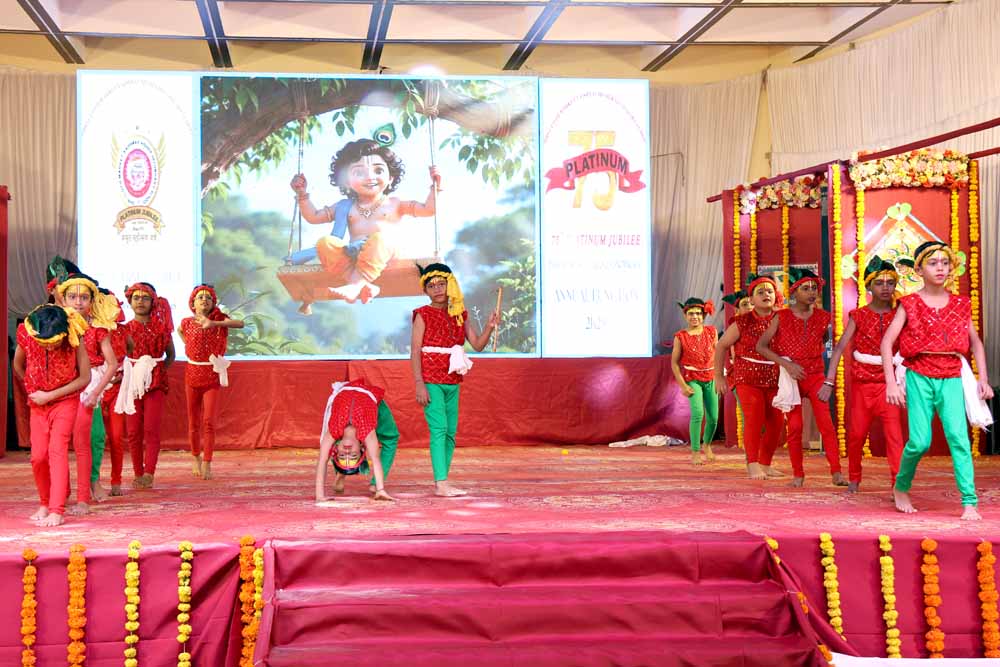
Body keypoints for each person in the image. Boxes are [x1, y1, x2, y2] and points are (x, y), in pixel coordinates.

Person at [882, 241, 993, 520]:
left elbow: (975, 343)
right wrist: (891, 383)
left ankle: (969, 502)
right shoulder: (909, 303)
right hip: (919, 374)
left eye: (945, 262)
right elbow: (887, 343)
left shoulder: (961, 304)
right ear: (919, 269)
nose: (940, 268)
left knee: (959, 438)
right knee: (920, 442)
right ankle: (901, 486)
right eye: (933, 263)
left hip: (952, 374)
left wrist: (983, 379)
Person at [290, 130, 441, 306]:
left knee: (380, 239)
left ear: (391, 177)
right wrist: (302, 195)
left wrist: (435, 188)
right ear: (347, 181)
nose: (370, 177)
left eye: (378, 170)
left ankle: (354, 285)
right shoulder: (344, 206)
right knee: (325, 243)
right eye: (359, 173)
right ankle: (361, 284)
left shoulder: (395, 203)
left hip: (387, 257)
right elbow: (313, 217)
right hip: (355, 259)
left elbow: (428, 210)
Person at [411, 263, 498, 496]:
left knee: (450, 432)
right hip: (431, 379)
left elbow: (477, 345)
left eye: (441, 284)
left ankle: (443, 481)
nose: (437, 289)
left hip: (452, 379)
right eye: (431, 286)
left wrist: (489, 327)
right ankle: (441, 483)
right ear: (425, 290)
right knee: (439, 429)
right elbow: (415, 351)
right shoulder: (422, 314)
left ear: (450, 285)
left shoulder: (459, 313)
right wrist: (419, 383)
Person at [820, 256, 905, 493]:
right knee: (856, 435)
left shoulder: (900, 314)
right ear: (868, 286)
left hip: (889, 386)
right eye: (879, 283)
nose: (885, 287)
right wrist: (829, 381)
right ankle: (854, 478)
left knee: (895, 437)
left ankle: (898, 484)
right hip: (862, 386)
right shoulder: (858, 315)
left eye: (890, 282)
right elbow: (839, 348)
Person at [757, 268, 846, 487]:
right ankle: (798, 474)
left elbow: (824, 341)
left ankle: (836, 472)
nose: (811, 292)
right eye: (805, 288)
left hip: (815, 376)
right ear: (794, 292)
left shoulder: (823, 317)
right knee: (795, 427)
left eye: (814, 288)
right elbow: (761, 346)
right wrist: (787, 364)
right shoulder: (781, 316)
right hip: (791, 378)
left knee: (826, 425)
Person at [13, 305, 90, 526]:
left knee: (57, 450)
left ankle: (57, 509)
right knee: (38, 456)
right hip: (38, 403)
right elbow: (18, 365)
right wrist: (32, 388)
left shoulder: (74, 336)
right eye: (45, 342)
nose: (49, 346)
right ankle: (44, 503)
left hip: (65, 400)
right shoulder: (27, 333)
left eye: (54, 342)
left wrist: (50, 395)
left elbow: (84, 377)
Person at [57, 273, 121, 512]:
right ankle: (61, 491)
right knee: (59, 443)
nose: (78, 302)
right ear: (63, 299)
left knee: (93, 438)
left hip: (89, 388)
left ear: (92, 301)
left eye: (84, 297)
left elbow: (112, 363)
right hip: (62, 387)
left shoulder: (97, 329)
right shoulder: (57, 326)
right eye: (73, 297)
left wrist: (95, 392)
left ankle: (91, 483)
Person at [714, 274, 784, 480]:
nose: (766, 295)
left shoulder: (783, 319)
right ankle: (752, 464)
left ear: (776, 296)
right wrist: (719, 376)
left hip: (775, 379)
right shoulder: (742, 322)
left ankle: (765, 463)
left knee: (777, 423)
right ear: (751, 299)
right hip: (747, 378)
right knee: (754, 419)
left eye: (770, 291)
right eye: (760, 292)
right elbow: (721, 346)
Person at [178, 284, 244, 480]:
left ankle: (207, 461)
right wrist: (189, 345)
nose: (204, 300)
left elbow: (240, 324)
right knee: (193, 421)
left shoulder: (220, 320)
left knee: (209, 421)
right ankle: (195, 457)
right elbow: (181, 332)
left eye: (208, 297)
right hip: (192, 374)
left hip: (211, 375)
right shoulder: (187, 322)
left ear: (213, 303)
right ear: (193, 303)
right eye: (200, 297)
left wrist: (214, 323)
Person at [115, 282, 175, 489]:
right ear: (130, 301)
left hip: (155, 383)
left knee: (151, 428)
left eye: (145, 298)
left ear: (153, 302)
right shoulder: (124, 329)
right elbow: (118, 355)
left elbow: (171, 355)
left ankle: (149, 472)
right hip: (131, 382)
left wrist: (156, 371)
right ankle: (137, 472)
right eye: (136, 298)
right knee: (133, 431)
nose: (140, 301)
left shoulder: (161, 328)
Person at [316, 379, 398, 502]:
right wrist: (380, 489)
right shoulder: (366, 431)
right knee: (391, 437)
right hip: (370, 396)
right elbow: (375, 459)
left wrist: (319, 496)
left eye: (342, 455)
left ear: (336, 448)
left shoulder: (333, 431)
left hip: (346, 389)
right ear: (361, 448)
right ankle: (375, 484)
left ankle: (342, 472)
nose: (347, 452)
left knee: (328, 449)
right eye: (353, 455)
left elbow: (322, 460)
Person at [670, 298, 718, 465]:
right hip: (693, 379)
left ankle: (707, 444)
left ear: (703, 315)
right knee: (698, 414)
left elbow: (718, 354)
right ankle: (696, 451)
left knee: (713, 418)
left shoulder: (711, 331)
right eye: (691, 313)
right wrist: (683, 385)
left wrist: (720, 375)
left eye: (698, 313)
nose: (695, 317)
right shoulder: (680, 336)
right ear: (685, 315)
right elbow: (674, 363)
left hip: (711, 377)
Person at [100, 290, 129, 496]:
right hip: (93, 390)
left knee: (116, 437)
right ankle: (92, 481)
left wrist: (124, 373)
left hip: (116, 389)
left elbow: (132, 355)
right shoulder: (87, 330)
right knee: (94, 439)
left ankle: (116, 480)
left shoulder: (123, 331)